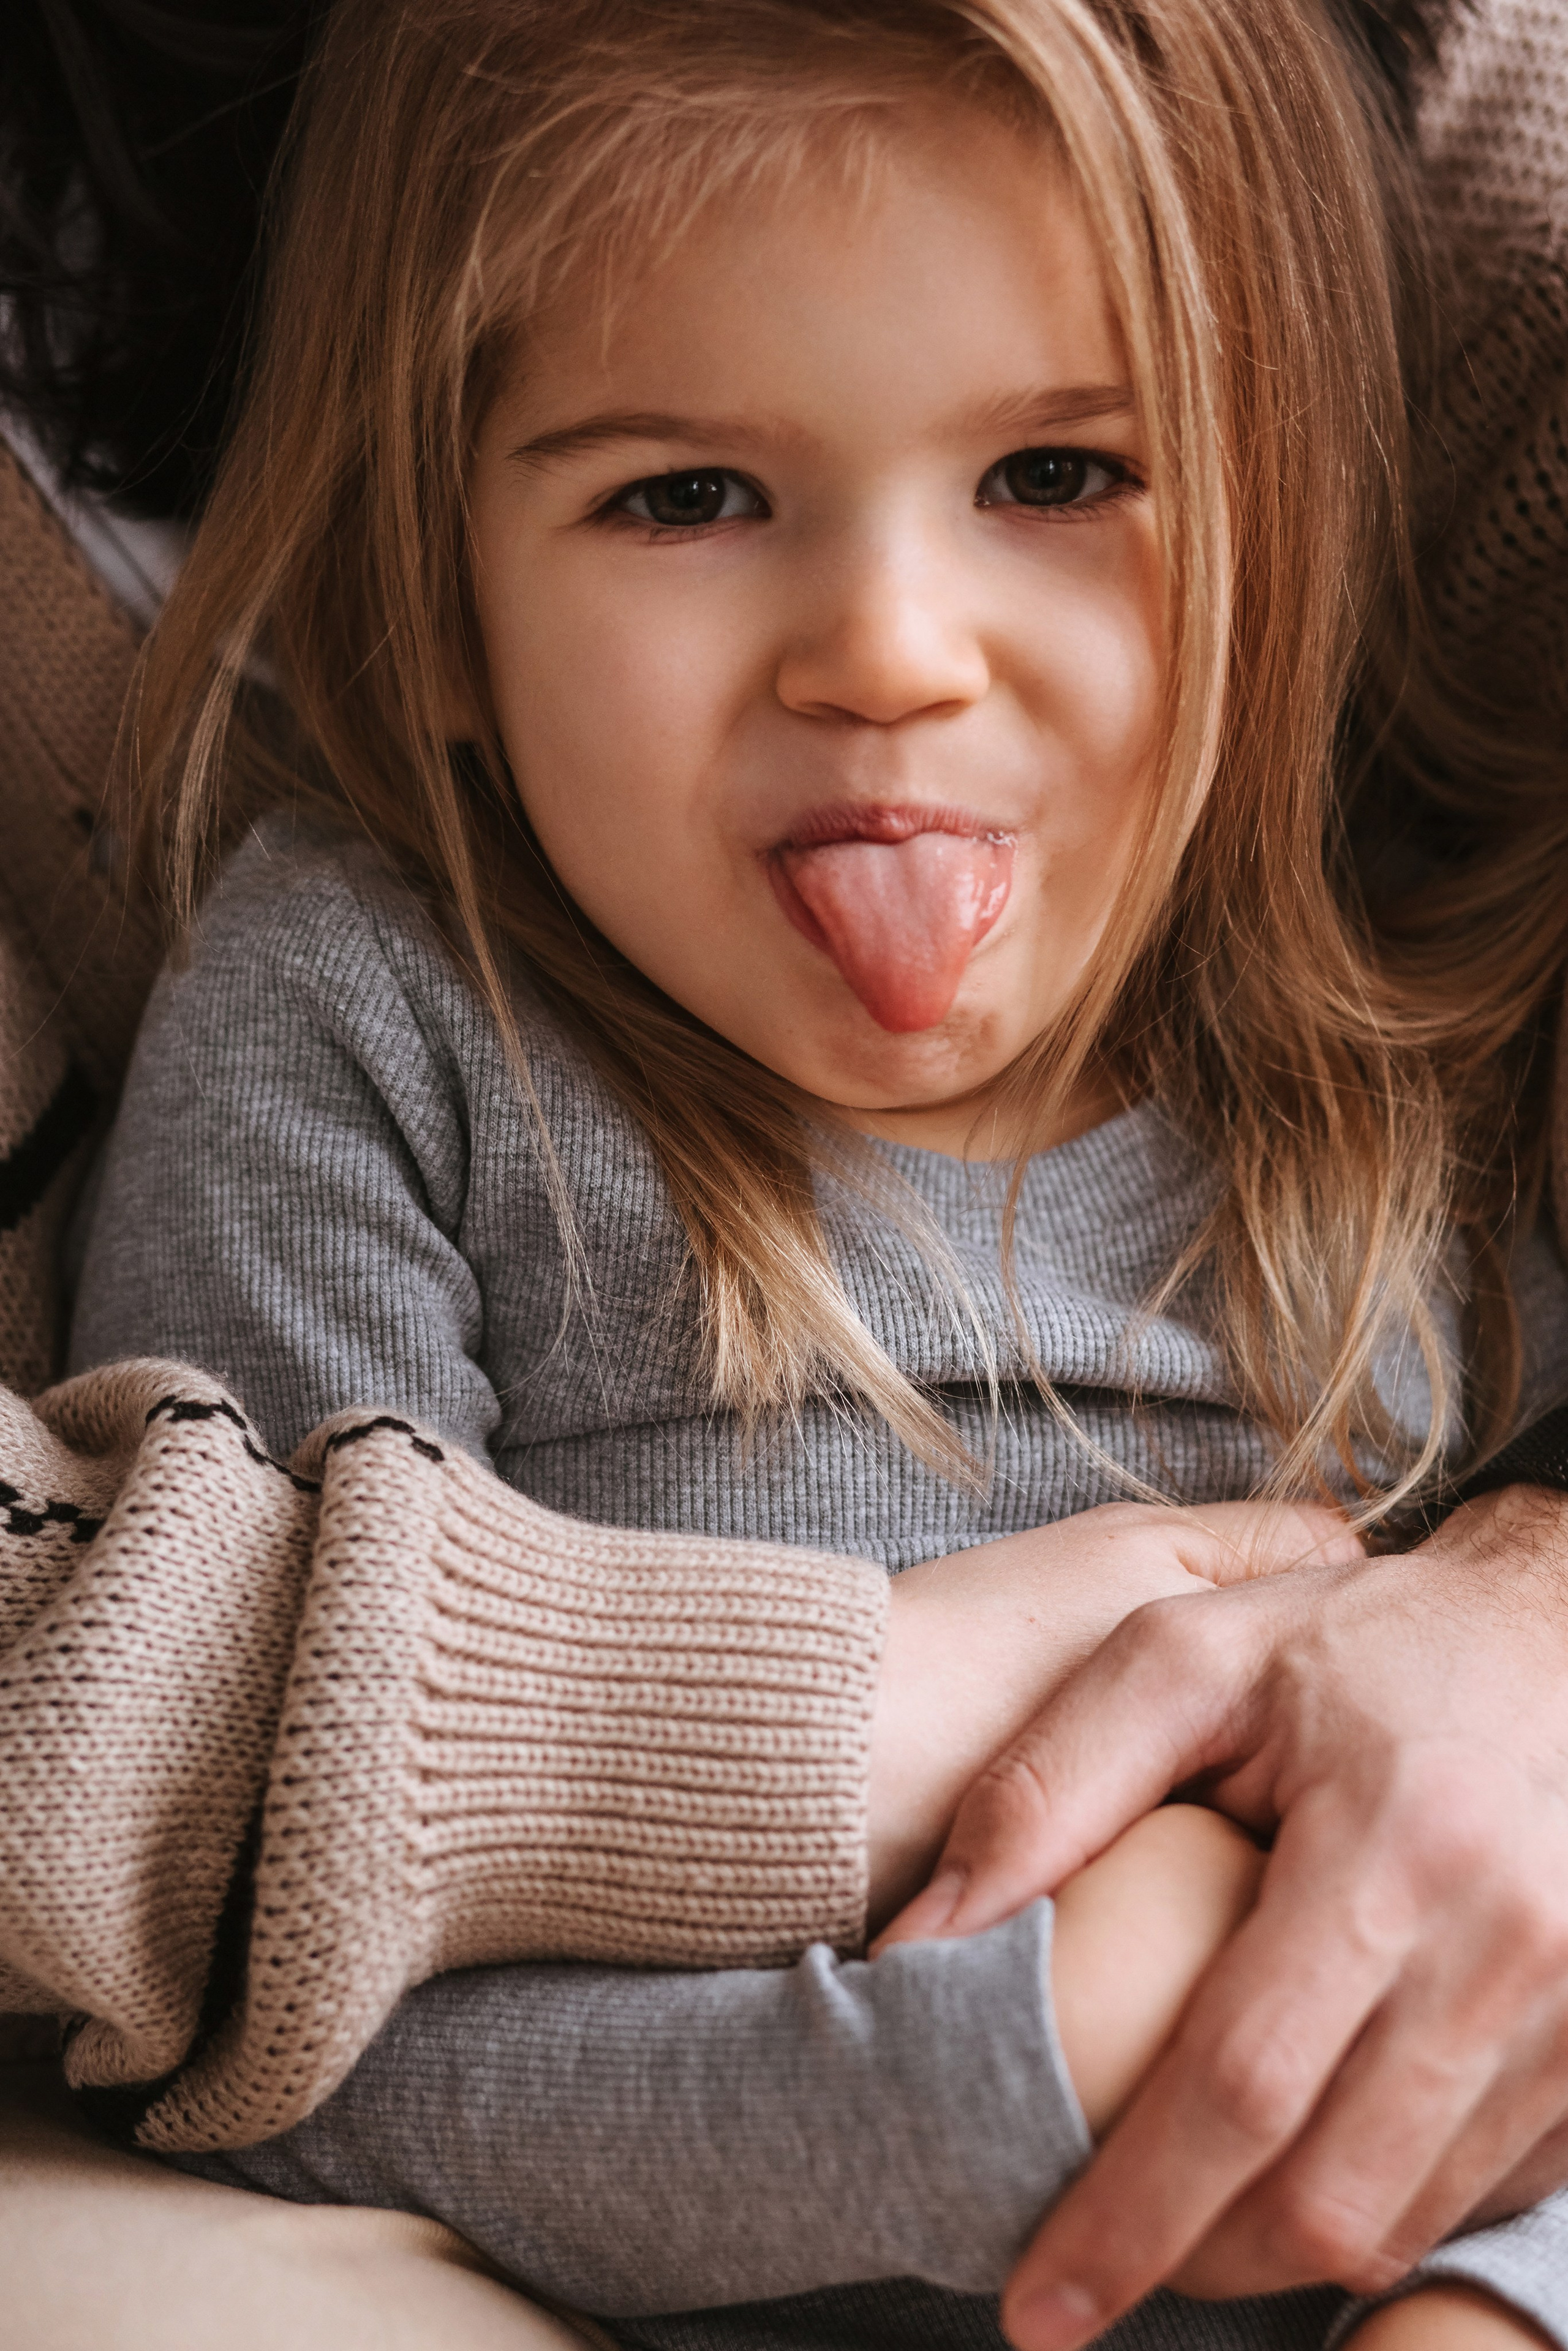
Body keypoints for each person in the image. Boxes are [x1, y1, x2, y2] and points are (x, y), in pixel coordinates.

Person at [36, 0, 1568, 2347]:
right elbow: (264, 1991)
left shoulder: (1405, 1058)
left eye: (1060, 476)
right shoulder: (367, 1018)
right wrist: (995, 2081)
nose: (886, 651)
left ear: (1301, 518)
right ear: (443, 594)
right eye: (685, 497)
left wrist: (1493, 2296)